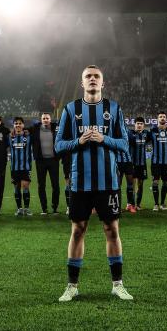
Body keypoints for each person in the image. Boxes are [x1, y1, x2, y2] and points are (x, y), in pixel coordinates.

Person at [54, 65, 133, 302]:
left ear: (102, 83)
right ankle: (72, 286)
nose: (92, 79)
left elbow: (125, 145)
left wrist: (104, 138)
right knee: (78, 230)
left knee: (112, 230)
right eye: (88, 76)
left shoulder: (113, 108)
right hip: (79, 182)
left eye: (96, 76)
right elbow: (59, 146)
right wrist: (78, 141)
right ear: (82, 83)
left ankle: (117, 285)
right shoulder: (70, 109)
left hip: (108, 182)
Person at [31, 112, 62, 215]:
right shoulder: (35, 129)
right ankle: (44, 208)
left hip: (53, 160)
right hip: (40, 161)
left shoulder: (56, 128)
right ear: (41, 119)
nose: (45, 120)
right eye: (43, 118)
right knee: (41, 185)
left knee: (55, 185)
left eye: (47, 118)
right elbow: (23, 130)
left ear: (50, 119)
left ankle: (55, 207)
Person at [148, 112, 167, 210]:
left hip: (166, 162)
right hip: (155, 162)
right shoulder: (152, 130)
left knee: (165, 182)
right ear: (157, 119)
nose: (162, 118)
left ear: (166, 119)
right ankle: (156, 204)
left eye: (164, 117)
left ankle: (162, 203)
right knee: (155, 182)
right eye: (160, 117)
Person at [9, 117, 33, 216]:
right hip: (14, 167)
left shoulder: (28, 136)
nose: (18, 125)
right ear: (13, 125)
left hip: (26, 167)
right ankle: (19, 209)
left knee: (25, 186)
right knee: (16, 187)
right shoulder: (9, 137)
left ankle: (26, 208)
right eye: (16, 123)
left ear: (23, 125)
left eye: (20, 123)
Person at [129, 117, 149, 210]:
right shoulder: (130, 133)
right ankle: (131, 204)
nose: (139, 125)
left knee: (140, 184)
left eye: (141, 124)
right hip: (133, 163)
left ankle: (138, 204)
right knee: (132, 184)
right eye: (138, 123)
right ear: (135, 125)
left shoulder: (146, 134)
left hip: (142, 164)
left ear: (144, 126)